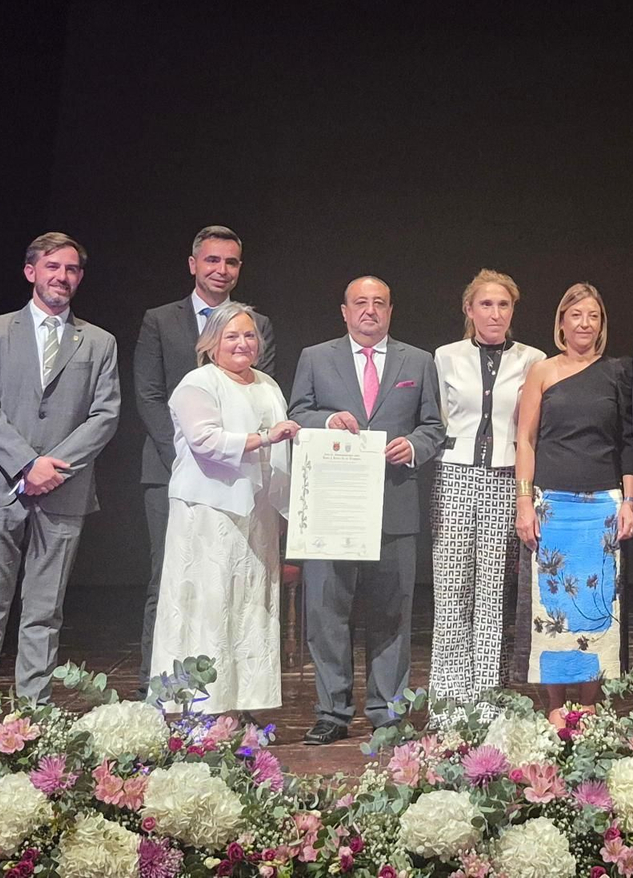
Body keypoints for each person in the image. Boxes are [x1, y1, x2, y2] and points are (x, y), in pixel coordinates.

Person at [0, 233, 121, 701]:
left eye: (70, 270)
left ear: (80, 278)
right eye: (52, 267)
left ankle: (34, 717)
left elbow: (105, 415)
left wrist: (55, 468)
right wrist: (27, 464)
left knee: (44, 611)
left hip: (63, 491)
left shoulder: (99, 341)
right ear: (31, 272)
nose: (61, 277)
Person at [290, 276, 445, 743]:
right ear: (344, 311)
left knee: (391, 614)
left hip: (393, 506)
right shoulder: (315, 357)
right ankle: (332, 712)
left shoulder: (417, 360)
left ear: (391, 311)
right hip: (332, 510)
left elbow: (434, 426)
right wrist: (326, 421)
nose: (370, 311)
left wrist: (413, 445)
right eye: (361, 303)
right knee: (326, 614)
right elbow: (297, 414)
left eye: (379, 303)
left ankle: (387, 711)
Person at [134, 225, 275, 696]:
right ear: (194, 264)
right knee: (174, 585)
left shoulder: (257, 325)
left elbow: (258, 400)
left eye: (231, 262)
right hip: (177, 471)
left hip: (244, 485)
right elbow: (150, 395)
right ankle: (158, 694)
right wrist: (188, 451)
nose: (221, 269)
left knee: (238, 591)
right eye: (212, 260)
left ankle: (233, 694)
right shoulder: (160, 319)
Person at [152, 302, 297, 712]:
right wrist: (266, 437)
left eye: (249, 335)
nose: (242, 343)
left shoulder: (268, 384)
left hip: (258, 515)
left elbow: (281, 450)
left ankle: (244, 703)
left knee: (251, 608)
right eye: (231, 335)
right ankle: (196, 705)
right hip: (209, 514)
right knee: (209, 606)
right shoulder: (197, 383)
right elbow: (206, 441)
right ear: (211, 343)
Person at [512, 283, 633, 724]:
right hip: (553, 505)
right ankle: (552, 707)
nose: (585, 323)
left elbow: (628, 443)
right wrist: (523, 502)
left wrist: (630, 501)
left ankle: (587, 704)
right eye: (577, 315)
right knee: (554, 613)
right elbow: (525, 441)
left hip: (602, 507)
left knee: (597, 610)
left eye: (594, 316)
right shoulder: (541, 372)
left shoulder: (618, 373)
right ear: (561, 321)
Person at [432, 269, 545, 710]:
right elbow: (437, 417)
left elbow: (531, 429)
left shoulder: (532, 359)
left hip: (505, 478)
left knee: (495, 588)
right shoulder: (445, 357)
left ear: (512, 310)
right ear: (469, 309)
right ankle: (447, 697)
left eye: (503, 305)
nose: (494, 313)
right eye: (485, 304)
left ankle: (486, 696)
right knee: (452, 583)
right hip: (455, 475)